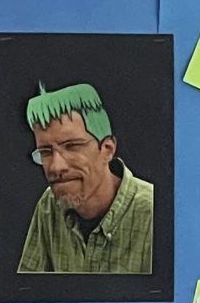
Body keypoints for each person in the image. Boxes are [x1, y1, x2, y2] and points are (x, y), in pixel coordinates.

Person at [15, 81, 154, 276]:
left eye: (72, 146)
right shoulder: (49, 205)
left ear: (107, 150)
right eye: (45, 152)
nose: (56, 166)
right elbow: (25, 293)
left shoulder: (153, 212)